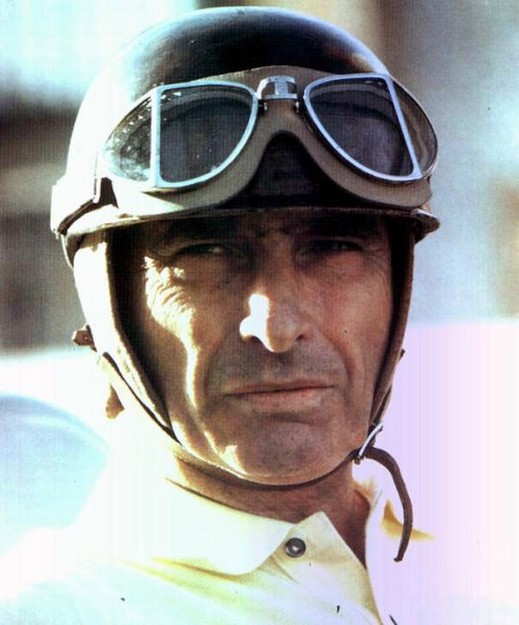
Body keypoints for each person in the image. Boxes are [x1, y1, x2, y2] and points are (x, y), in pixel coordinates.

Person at [0, 7, 441, 624]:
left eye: (333, 247)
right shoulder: (56, 610)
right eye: (205, 253)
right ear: (112, 308)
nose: (277, 326)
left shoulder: (487, 552)